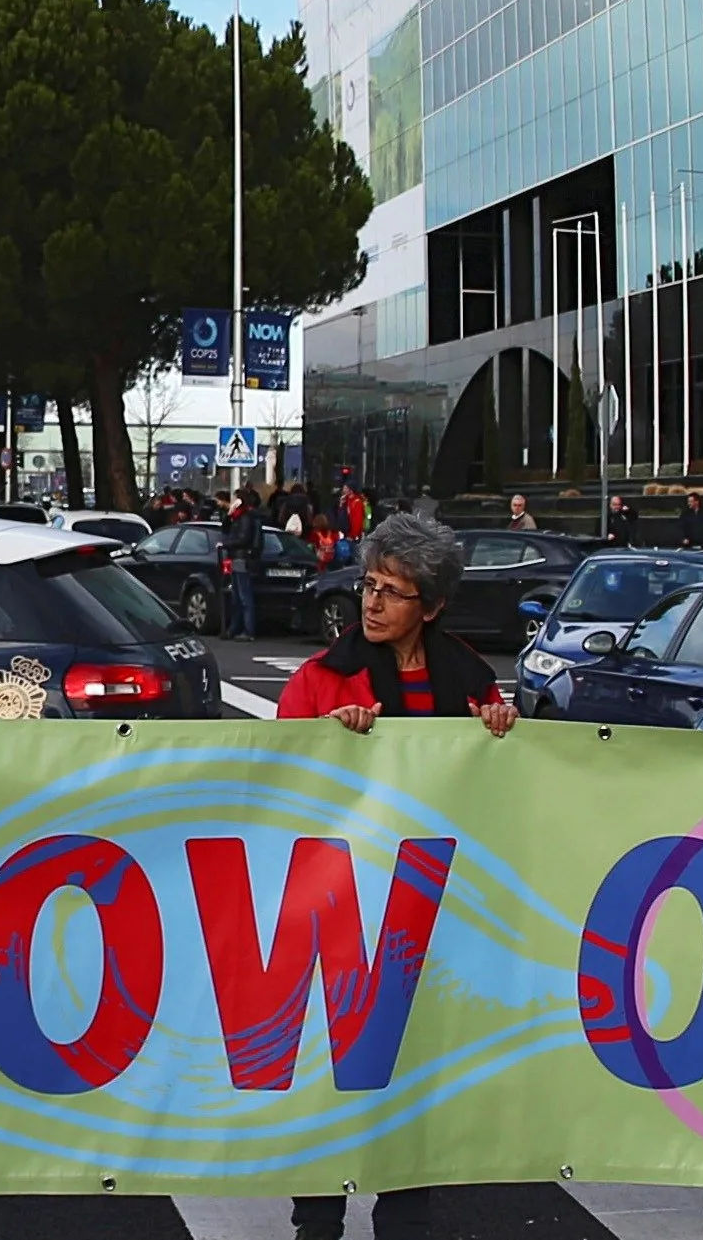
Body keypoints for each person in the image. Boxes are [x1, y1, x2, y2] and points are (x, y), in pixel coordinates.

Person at [270, 513, 513, 1239]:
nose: (371, 603)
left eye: (392, 592)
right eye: (369, 585)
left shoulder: (470, 680)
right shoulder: (319, 681)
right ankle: (317, 1216)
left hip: (428, 921)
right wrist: (326, 745)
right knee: (330, 1074)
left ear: (430, 607)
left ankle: (406, 1208)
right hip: (336, 912)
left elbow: (499, 797)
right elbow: (274, 788)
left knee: (414, 1075)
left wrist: (501, 734)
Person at [219, 489, 267, 636]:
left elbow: (243, 539)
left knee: (244, 595)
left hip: (242, 558)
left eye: (235, 499)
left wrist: (226, 545)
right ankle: (235, 628)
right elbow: (224, 528)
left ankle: (247, 629)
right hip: (235, 557)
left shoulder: (246, 518)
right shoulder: (236, 517)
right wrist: (229, 514)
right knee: (236, 596)